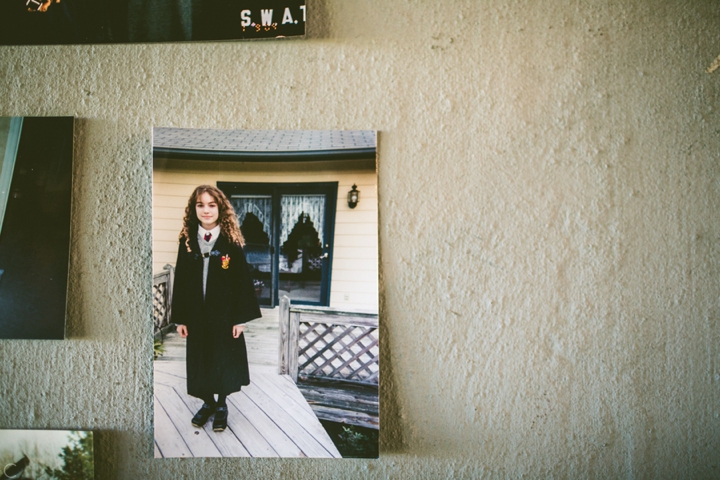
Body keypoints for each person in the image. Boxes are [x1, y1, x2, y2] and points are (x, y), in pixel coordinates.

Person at [170, 185, 261, 432]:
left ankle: (221, 405)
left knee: (223, 360)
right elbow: (181, 281)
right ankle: (207, 402)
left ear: (220, 208)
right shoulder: (187, 240)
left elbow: (242, 281)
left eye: (212, 205)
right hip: (196, 315)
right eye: (201, 205)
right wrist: (179, 319)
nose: (206, 210)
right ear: (194, 209)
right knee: (201, 361)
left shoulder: (231, 241)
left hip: (224, 316)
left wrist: (240, 319)